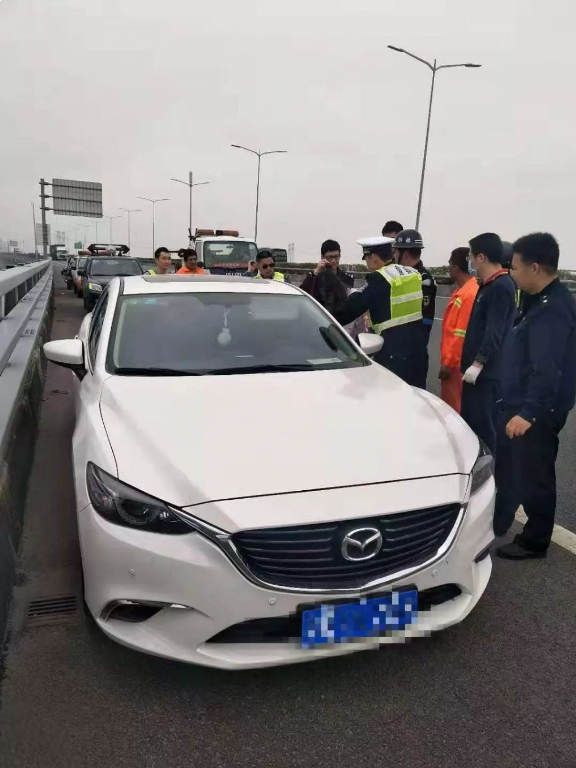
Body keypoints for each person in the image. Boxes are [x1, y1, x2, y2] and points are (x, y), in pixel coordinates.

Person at [493, 233, 576, 559]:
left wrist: (528, 412)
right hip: (527, 403)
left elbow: (547, 368)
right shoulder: (537, 300)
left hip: (540, 410)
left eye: (514, 267)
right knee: (523, 468)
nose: (511, 273)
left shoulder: (551, 309)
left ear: (535, 267)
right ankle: (512, 522)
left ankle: (535, 540)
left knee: (536, 472)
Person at [333, 236, 424, 380]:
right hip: (417, 350)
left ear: (374, 257)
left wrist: (326, 319)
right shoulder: (412, 273)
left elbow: (351, 309)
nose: (366, 263)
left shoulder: (380, 278)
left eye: (366, 258)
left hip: (392, 352)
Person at [460, 232, 516, 455]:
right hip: (477, 375)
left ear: (481, 257)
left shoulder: (501, 286)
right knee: (470, 426)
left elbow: (495, 331)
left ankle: (487, 471)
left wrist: (478, 363)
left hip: (486, 375)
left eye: (471, 256)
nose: (470, 261)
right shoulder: (488, 285)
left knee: (483, 430)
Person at [391, 229, 437, 388]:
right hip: (398, 351)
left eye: (395, 252)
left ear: (404, 253)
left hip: (412, 354)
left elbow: (423, 321)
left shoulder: (423, 280)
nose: (393, 256)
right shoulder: (401, 275)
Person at [439, 247, 479, 412]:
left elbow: (460, 333)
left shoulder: (469, 294)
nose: (448, 268)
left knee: (454, 410)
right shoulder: (462, 290)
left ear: (456, 267)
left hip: (456, 366)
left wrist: (448, 364)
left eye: (450, 264)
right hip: (454, 363)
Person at [300, 239, 354, 315]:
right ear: (322, 257)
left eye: (336, 257)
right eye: (330, 257)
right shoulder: (316, 276)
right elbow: (303, 293)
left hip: (340, 316)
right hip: (319, 315)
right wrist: (315, 273)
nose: (333, 261)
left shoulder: (347, 277)